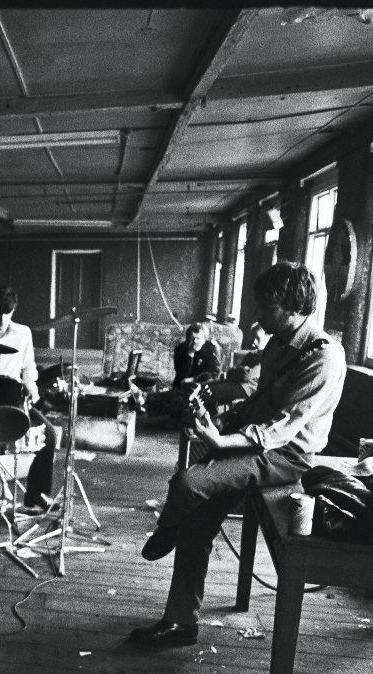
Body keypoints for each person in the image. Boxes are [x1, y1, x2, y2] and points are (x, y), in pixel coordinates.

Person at [131, 262, 345, 645]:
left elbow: (281, 427)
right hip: (253, 446)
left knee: (187, 483)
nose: (257, 316)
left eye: (267, 307)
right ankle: (181, 622)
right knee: (197, 523)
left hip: (285, 456)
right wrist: (219, 420)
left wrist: (220, 443)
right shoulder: (280, 342)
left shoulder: (324, 357)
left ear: (296, 308)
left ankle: (167, 529)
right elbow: (259, 401)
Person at [0, 285, 58, 513]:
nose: (1, 318)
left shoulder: (23, 333)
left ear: (13, 310)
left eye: (5, 314)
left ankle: (36, 495)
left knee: (49, 434)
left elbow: (28, 368)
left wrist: (32, 389)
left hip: (13, 400)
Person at [145, 321, 223, 425]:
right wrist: (190, 355)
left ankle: (147, 400)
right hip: (182, 385)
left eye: (198, 339)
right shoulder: (180, 349)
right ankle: (149, 401)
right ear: (187, 339)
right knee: (182, 393)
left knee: (186, 393)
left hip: (203, 385)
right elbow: (181, 375)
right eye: (192, 339)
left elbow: (215, 373)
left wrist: (194, 379)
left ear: (204, 339)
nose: (195, 342)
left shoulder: (211, 348)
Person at [201, 320, 270, 415]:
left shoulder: (267, 357)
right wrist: (239, 370)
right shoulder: (252, 354)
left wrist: (239, 371)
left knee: (211, 392)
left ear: (269, 338)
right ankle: (205, 416)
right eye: (253, 337)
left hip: (248, 389)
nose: (254, 342)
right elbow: (235, 370)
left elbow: (246, 375)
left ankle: (212, 421)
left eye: (258, 338)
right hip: (237, 383)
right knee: (205, 386)